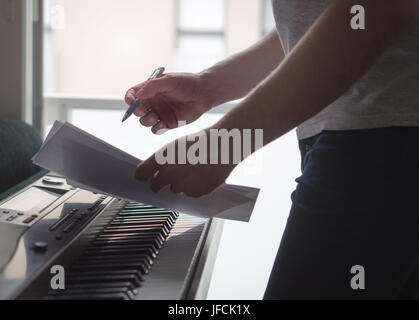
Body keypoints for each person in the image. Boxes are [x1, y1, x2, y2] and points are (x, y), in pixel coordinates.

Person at [125, 0, 419, 299]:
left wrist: (228, 141)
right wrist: (209, 86)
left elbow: (375, 9)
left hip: (382, 145)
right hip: (379, 139)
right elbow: (312, 21)